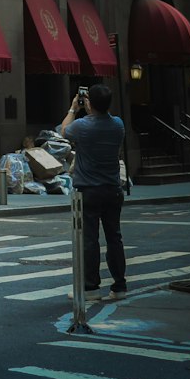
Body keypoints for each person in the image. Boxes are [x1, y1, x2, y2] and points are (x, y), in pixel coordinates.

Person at [61, 83, 127, 297]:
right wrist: (93, 109)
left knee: (89, 239)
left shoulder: (82, 125)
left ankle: (90, 286)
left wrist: (73, 108)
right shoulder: (118, 125)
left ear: (89, 102)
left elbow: (63, 131)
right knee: (114, 237)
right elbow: (102, 120)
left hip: (88, 191)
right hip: (112, 189)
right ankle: (119, 285)